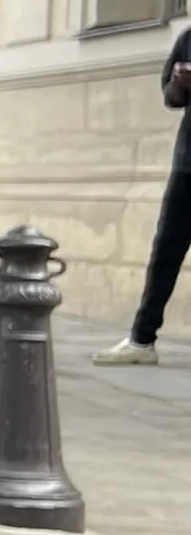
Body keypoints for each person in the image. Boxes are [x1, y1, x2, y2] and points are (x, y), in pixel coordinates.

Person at [92, 23, 191, 365]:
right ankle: (141, 340)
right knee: (166, 250)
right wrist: (179, 84)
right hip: (188, 164)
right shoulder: (190, 37)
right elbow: (170, 97)